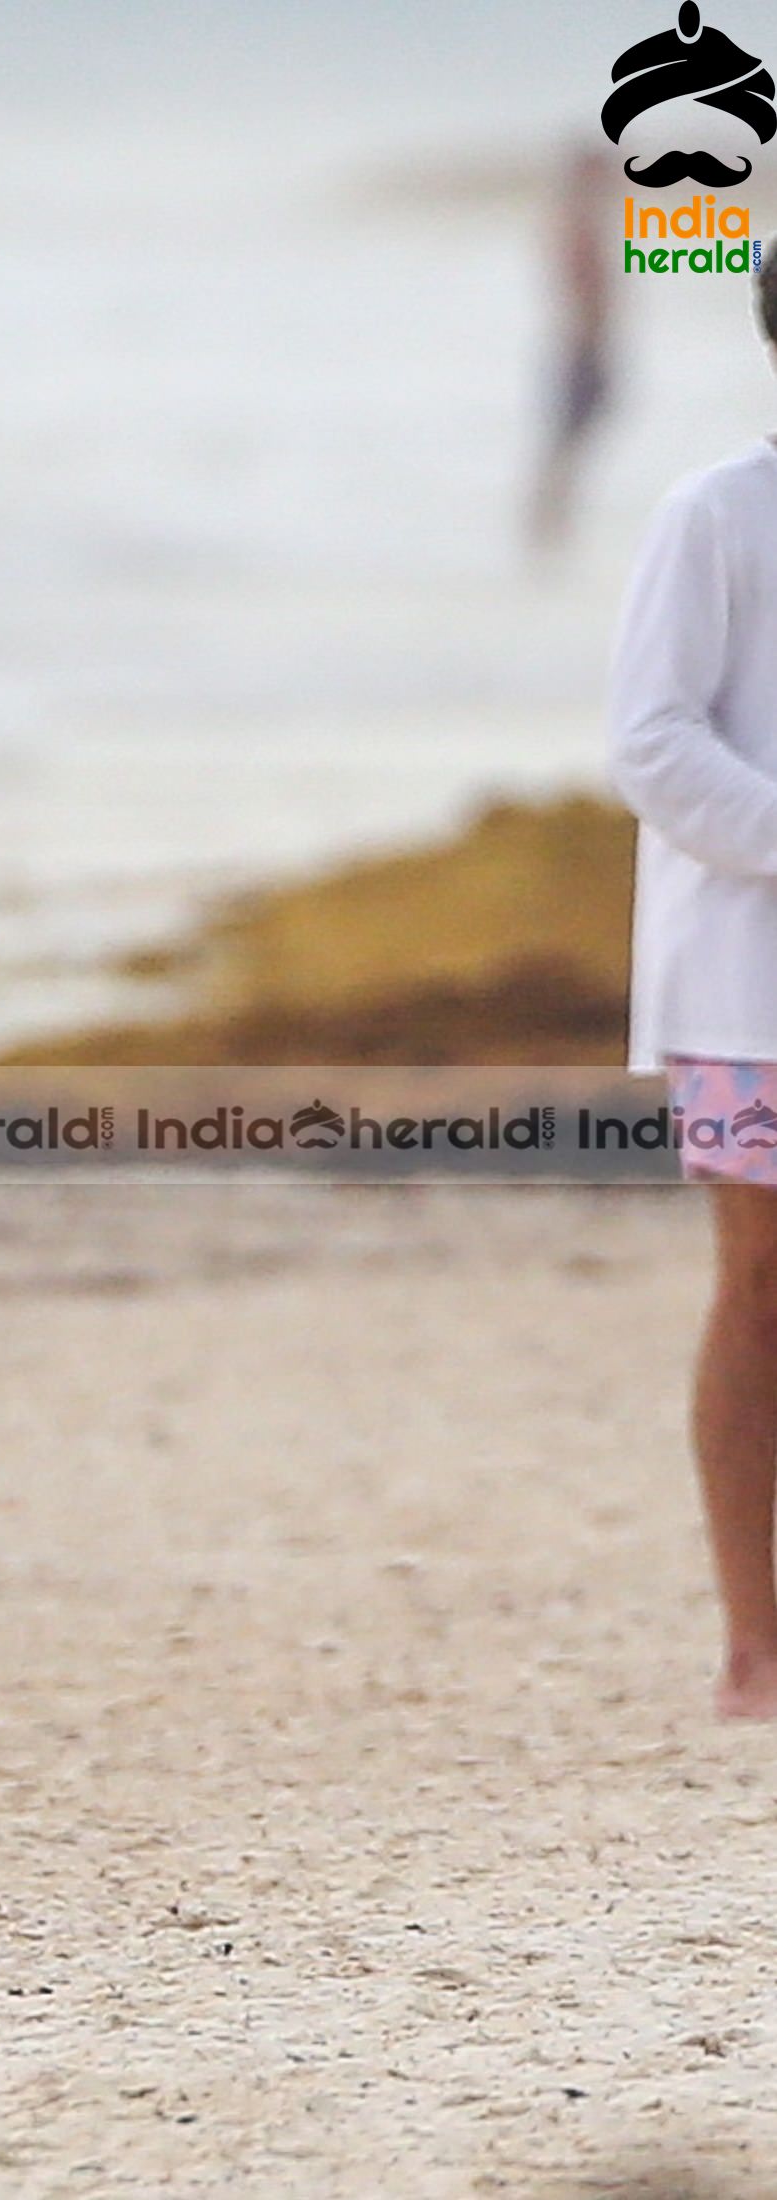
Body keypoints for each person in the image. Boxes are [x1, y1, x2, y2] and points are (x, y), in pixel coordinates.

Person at [608, 255, 777, 1720]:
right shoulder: (716, 513)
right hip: (745, 983)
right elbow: (653, 742)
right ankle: (755, 1647)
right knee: (764, 1283)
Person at [532, 142, 620, 558]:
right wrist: (593, 345)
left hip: (583, 345)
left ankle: (553, 530)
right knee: (566, 444)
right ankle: (548, 530)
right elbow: (582, 293)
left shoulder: (577, 221)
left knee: (569, 443)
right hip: (582, 346)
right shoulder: (576, 225)